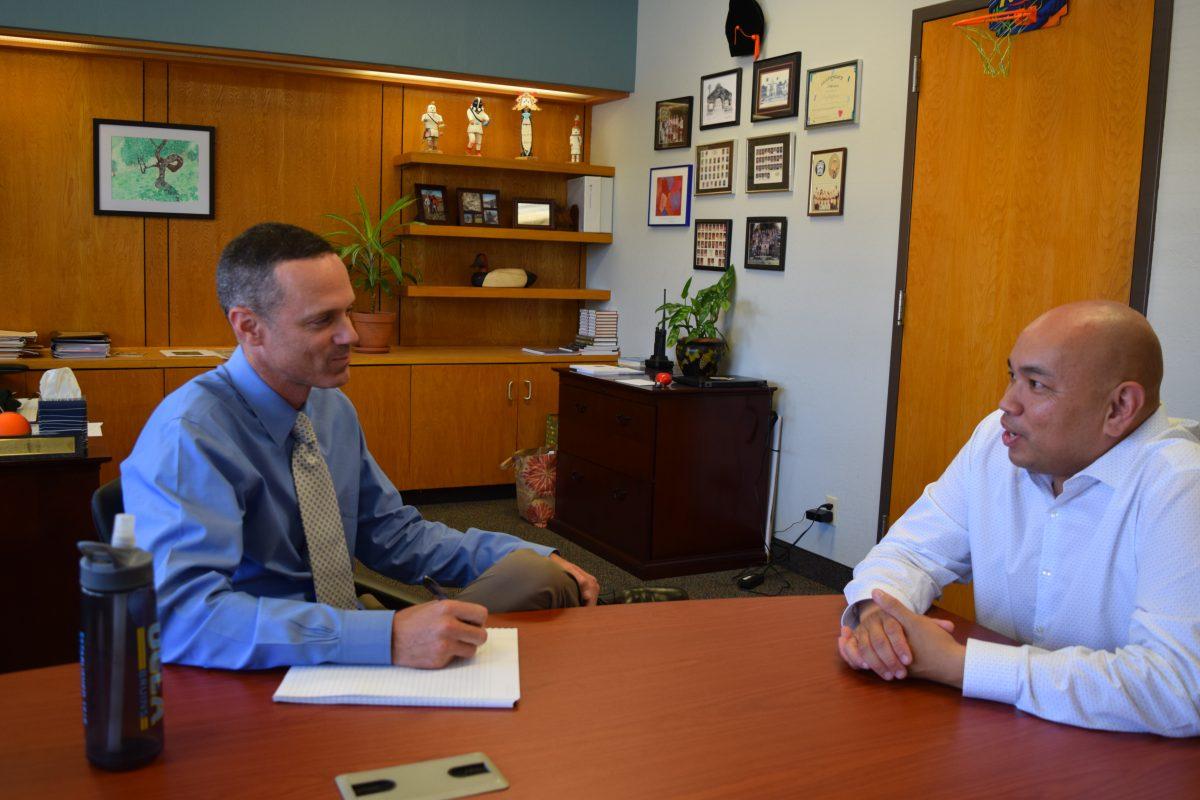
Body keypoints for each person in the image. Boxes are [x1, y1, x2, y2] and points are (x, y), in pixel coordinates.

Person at [123, 222, 599, 671]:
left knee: (542, 576)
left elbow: (394, 536)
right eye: (322, 319)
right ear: (249, 327)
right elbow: (181, 616)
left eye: (348, 310)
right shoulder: (190, 435)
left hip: (351, 631)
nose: (350, 333)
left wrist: (523, 553)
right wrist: (383, 638)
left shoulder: (329, 408)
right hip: (262, 662)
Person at [837, 301, 1200, 737]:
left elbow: (1179, 686)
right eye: (1013, 376)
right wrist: (882, 615)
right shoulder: (997, 440)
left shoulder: (1179, 484)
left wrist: (960, 665)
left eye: (1036, 384)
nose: (1007, 402)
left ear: (1120, 407)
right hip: (1000, 733)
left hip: (1124, 760)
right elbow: (909, 552)